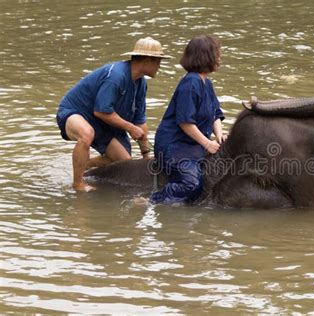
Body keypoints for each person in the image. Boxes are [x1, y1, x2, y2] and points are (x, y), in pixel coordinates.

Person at [56, 37, 171, 192]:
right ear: (147, 61)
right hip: (77, 112)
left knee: (125, 164)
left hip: (104, 122)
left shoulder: (141, 83)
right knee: (87, 134)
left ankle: (85, 164)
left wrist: (146, 155)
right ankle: (78, 184)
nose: (159, 66)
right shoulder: (116, 76)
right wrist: (130, 128)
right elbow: (101, 111)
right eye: (158, 61)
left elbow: (140, 121)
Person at [150, 35, 226, 205]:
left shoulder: (207, 84)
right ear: (206, 56)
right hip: (175, 146)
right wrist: (207, 144)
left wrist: (219, 136)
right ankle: (153, 201)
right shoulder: (190, 83)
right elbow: (185, 122)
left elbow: (215, 113)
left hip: (191, 145)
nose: (219, 57)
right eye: (217, 52)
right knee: (191, 184)